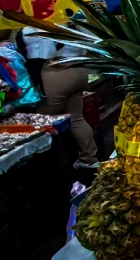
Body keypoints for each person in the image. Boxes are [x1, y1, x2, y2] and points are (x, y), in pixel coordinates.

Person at [22, 27, 100, 169]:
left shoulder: (38, 23)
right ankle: (89, 159)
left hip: (55, 70)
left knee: (43, 120)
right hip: (78, 70)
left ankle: (50, 167)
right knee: (76, 118)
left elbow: (43, 52)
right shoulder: (72, 19)